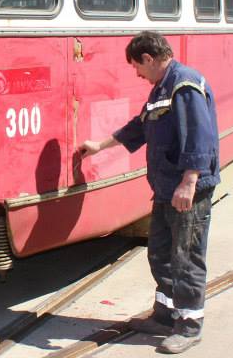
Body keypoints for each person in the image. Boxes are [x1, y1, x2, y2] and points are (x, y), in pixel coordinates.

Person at [78, 31, 219, 354]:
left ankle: (188, 325)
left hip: (187, 190)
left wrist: (189, 180)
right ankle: (166, 314)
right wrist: (100, 145)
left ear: (148, 58)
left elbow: (200, 136)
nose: (137, 74)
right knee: (160, 252)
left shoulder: (184, 86)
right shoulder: (162, 88)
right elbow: (140, 126)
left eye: (136, 67)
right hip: (166, 188)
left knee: (186, 258)